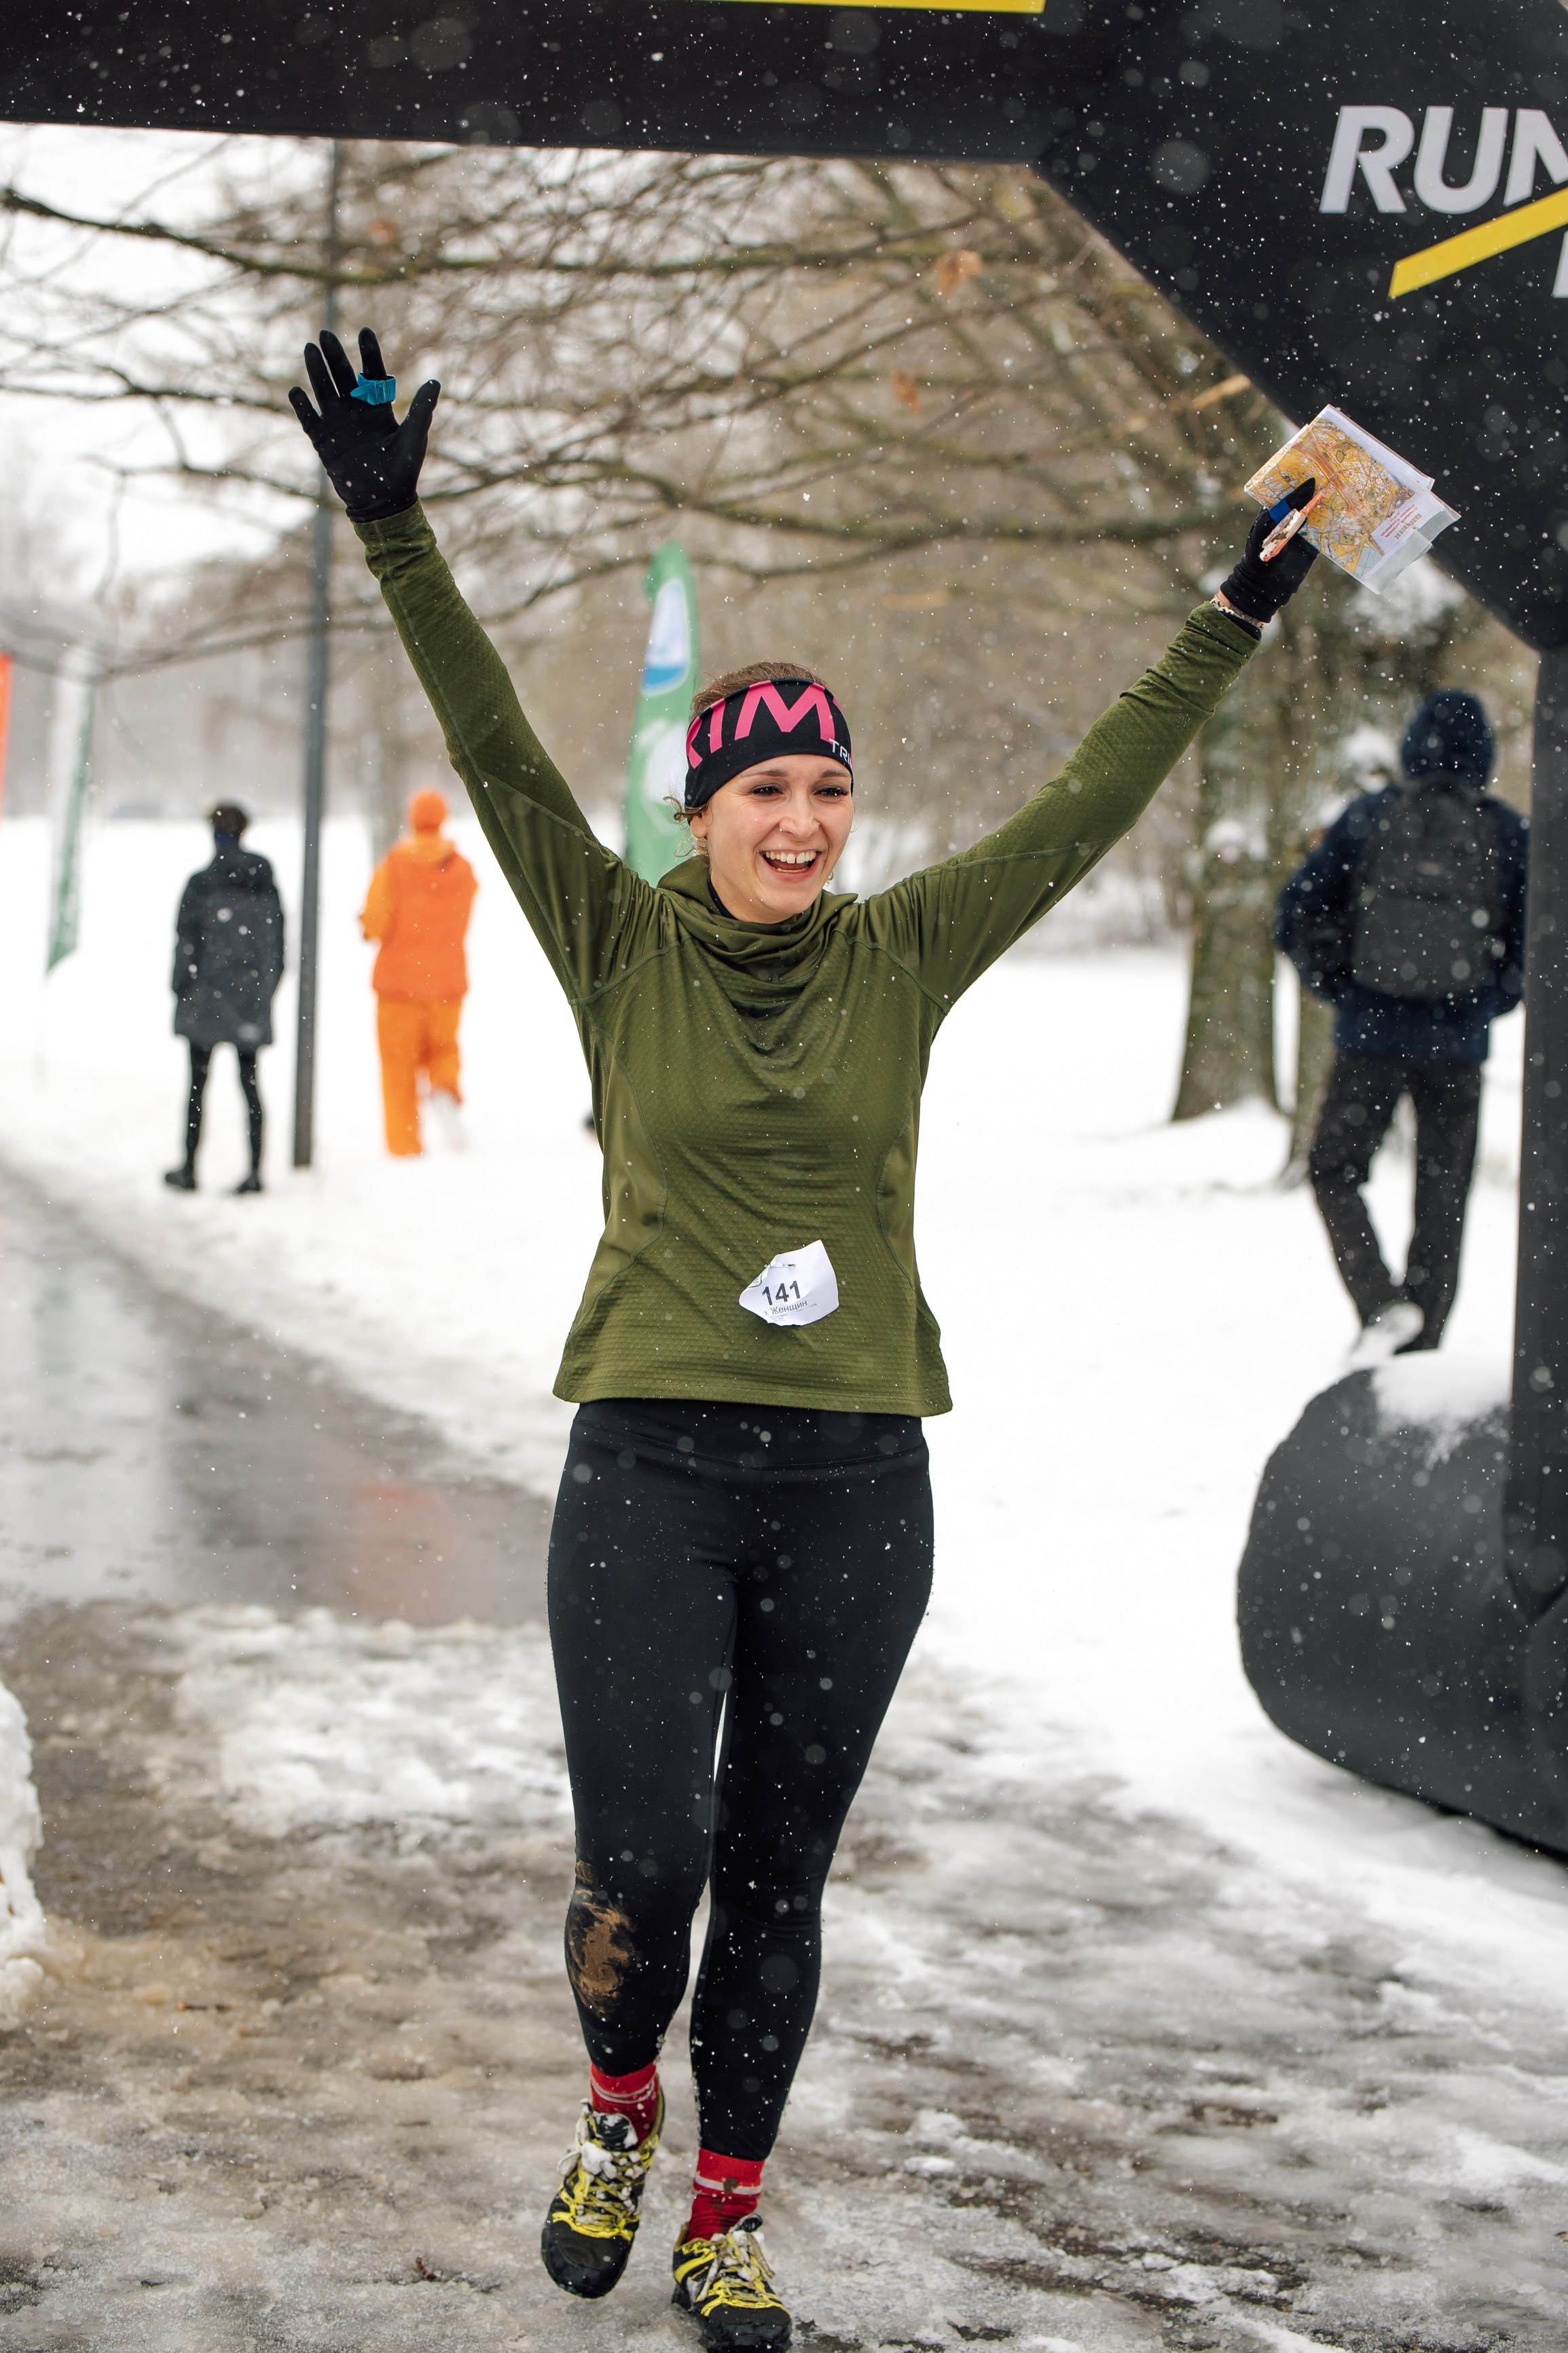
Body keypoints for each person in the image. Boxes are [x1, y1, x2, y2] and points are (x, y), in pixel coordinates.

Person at [289, 327, 1318, 2351]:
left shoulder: (904, 947)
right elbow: (492, 739)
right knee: (640, 1869)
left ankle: (729, 2209)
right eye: (767, 782)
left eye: (829, 784)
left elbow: (1090, 794)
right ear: (705, 802)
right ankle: (613, 2107)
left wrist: (1231, 613)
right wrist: (397, 538)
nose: (804, 814)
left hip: (857, 1472)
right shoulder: (613, 932)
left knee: (774, 1870)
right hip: (648, 1466)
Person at [1277, 690, 1528, 1358]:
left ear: (1411, 743)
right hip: (1458, 1044)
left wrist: (1343, 983)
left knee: (1333, 1167)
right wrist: (1487, 998)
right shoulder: (1505, 832)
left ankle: (1380, 1304)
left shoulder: (1367, 818)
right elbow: (1537, 939)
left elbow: (1295, 911)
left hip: (1370, 1035)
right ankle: (1421, 1341)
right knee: (1442, 1191)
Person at [164, 801, 284, 1196]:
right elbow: (276, 946)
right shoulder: (264, 878)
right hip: (249, 997)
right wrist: (264, 992)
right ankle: (255, 1172)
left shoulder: (200, 883)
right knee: (250, 1085)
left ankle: (190, 1169)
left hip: (205, 995)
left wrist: (181, 987)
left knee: (198, 1087)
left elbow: (186, 943)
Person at [360, 785, 478, 1155]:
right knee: (444, 1048)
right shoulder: (461, 870)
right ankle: (444, 1088)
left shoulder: (393, 864)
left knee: (399, 1067)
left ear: (413, 818)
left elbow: (376, 923)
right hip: (446, 981)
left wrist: (365, 922)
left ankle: (405, 1144)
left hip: (398, 985)